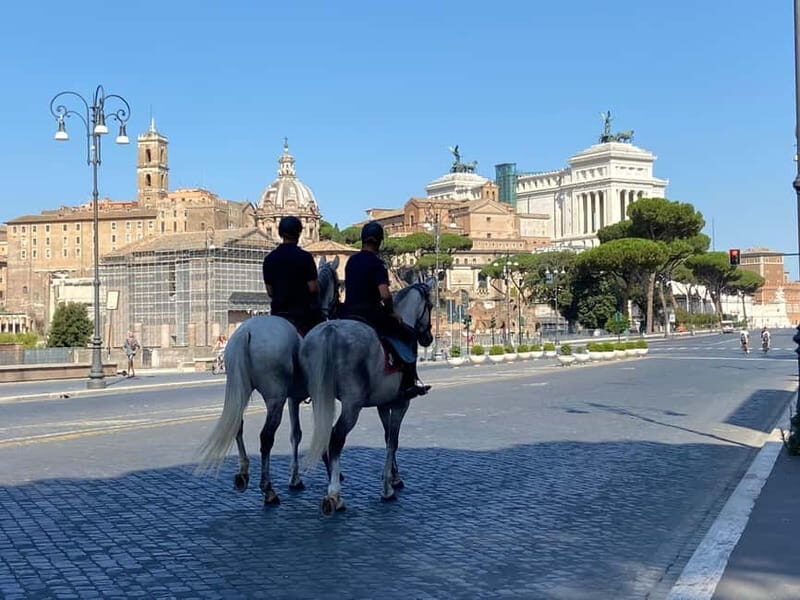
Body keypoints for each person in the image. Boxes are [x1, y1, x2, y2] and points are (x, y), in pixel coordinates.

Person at [340, 221, 430, 401]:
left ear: (362, 239)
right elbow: (385, 294)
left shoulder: (351, 261)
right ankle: (408, 383)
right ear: (380, 241)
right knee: (408, 335)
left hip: (347, 313)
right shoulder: (377, 263)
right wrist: (392, 312)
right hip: (370, 313)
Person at [262, 216, 324, 335]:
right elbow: (313, 287)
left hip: (278, 313)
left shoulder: (269, 259)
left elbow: (270, 292)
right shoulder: (305, 257)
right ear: (299, 233)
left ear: (280, 234)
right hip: (302, 314)